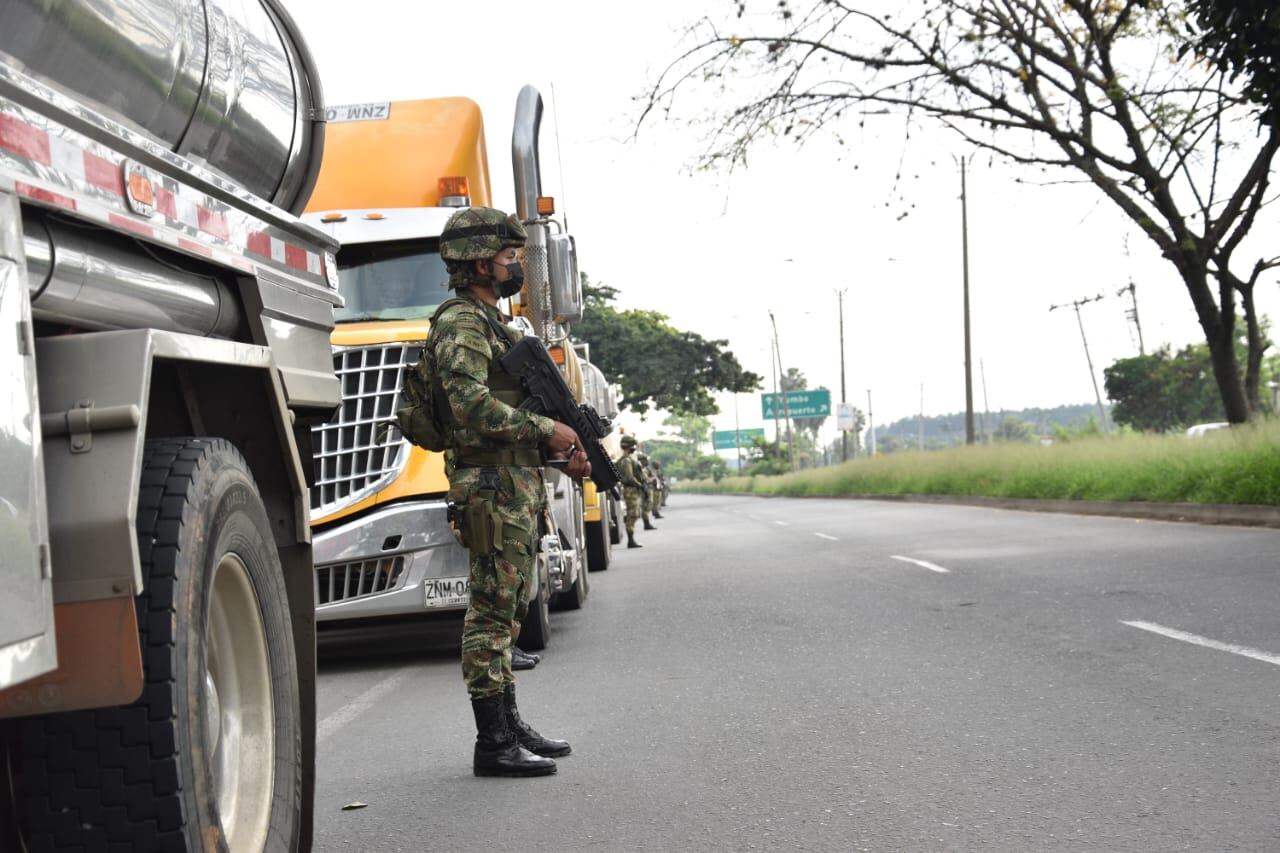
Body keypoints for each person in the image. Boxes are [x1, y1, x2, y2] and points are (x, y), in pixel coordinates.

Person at [431, 206, 590, 777]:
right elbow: (469, 407)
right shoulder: (461, 324)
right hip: (491, 486)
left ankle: (510, 724)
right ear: (478, 262)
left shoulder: (491, 321)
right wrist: (548, 428)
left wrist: (558, 452)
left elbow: (506, 410)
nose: (514, 265)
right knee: (491, 616)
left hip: (513, 484)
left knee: (510, 610)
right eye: (507, 257)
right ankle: (492, 743)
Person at [617, 435, 647, 548]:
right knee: (632, 514)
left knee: (634, 513)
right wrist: (640, 486)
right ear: (628, 446)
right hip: (631, 490)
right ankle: (631, 540)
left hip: (632, 490)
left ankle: (631, 539)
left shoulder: (628, 459)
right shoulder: (626, 460)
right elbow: (630, 477)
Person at [636, 450, 658, 529]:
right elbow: (645, 480)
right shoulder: (642, 469)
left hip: (646, 489)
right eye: (645, 460)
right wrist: (653, 479)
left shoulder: (643, 469)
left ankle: (647, 523)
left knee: (647, 507)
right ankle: (646, 524)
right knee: (646, 507)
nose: (647, 461)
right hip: (645, 489)